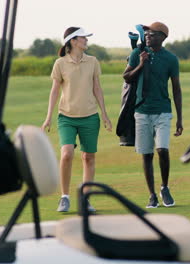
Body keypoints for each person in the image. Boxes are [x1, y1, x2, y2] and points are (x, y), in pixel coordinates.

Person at [41, 27, 112, 212]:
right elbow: (55, 91)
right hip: (66, 117)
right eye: (83, 38)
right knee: (66, 155)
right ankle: (64, 198)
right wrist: (48, 116)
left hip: (90, 117)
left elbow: (97, 88)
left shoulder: (93, 61)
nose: (86, 41)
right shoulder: (60, 63)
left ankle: (85, 199)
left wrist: (104, 114)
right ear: (73, 41)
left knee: (88, 157)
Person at [123, 22, 183, 208]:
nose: (148, 35)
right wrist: (141, 64)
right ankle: (151, 195)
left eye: (153, 33)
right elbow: (127, 77)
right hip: (141, 112)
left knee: (162, 150)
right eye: (147, 33)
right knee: (147, 155)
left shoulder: (171, 59)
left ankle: (164, 188)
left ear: (163, 37)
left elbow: (176, 88)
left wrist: (180, 118)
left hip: (163, 111)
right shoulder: (137, 54)